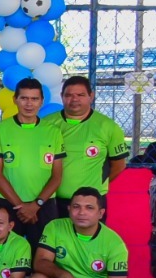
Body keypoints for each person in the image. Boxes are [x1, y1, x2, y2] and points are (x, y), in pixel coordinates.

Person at [0, 77, 65, 244]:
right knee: (6, 256)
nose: (29, 104)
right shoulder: (0, 129)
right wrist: (21, 207)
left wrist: (36, 205)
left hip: (43, 205)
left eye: (34, 99)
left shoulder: (53, 131)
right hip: (8, 203)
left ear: (42, 101)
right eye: (24, 98)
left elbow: (57, 176)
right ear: (15, 100)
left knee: (44, 254)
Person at [42, 76, 128, 206]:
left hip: (91, 203)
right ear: (61, 96)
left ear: (91, 96)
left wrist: (96, 187)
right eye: (69, 95)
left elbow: (119, 165)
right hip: (51, 200)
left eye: (80, 95)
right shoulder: (47, 124)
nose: (74, 99)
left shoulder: (107, 126)